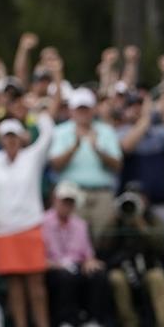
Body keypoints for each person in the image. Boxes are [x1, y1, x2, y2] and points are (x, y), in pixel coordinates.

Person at [0, 115, 56, 327]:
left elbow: (48, 135)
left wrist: (39, 114)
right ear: (0, 139)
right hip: (3, 230)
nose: (10, 141)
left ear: (21, 138)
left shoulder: (32, 157)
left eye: (14, 136)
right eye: (6, 137)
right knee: (14, 285)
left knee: (36, 285)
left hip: (30, 226)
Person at [98, 182, 164, 327]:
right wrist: (114, 220)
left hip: (148, 268)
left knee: (158, 277)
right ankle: (130, 325)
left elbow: (160, 245)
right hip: (124, 270)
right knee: (116, 278)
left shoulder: (153, 218)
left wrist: (142, 225)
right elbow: (103, 245)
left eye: (140, 196)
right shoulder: (117, 219)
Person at [50, 88, 122, 244]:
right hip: (72, 194)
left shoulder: (106, 131)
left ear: (93, 109)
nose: (83, 113)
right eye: (79, 109)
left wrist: (98, 150)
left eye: (86, 109)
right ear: (71, 110)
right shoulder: (60, 131)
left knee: (105, 238)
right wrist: (74, 147)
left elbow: (117, 165)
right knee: (73, 239)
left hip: (102, 192)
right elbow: (55, 165)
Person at [41, 181, 109, 327]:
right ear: (55, 200)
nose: (67, 205)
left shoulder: (80, 224)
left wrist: (90, 262)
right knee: (65, 277)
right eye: (64, 201)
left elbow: (88, 253)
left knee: (97, 274)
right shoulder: (42, 222)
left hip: (76, 266)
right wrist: (54, 264)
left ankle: (92, 323)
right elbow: (39, 255)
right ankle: (66, 324)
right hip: (52, 267)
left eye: (70, 202)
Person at [119, 91, 164, 242]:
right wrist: (146, 117)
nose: (137, 109)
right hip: (136, 205)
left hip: (163, 201)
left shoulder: (158, 131)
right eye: (132, 106)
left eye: (140, 105)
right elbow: (127, 146)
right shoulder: (121, 131)